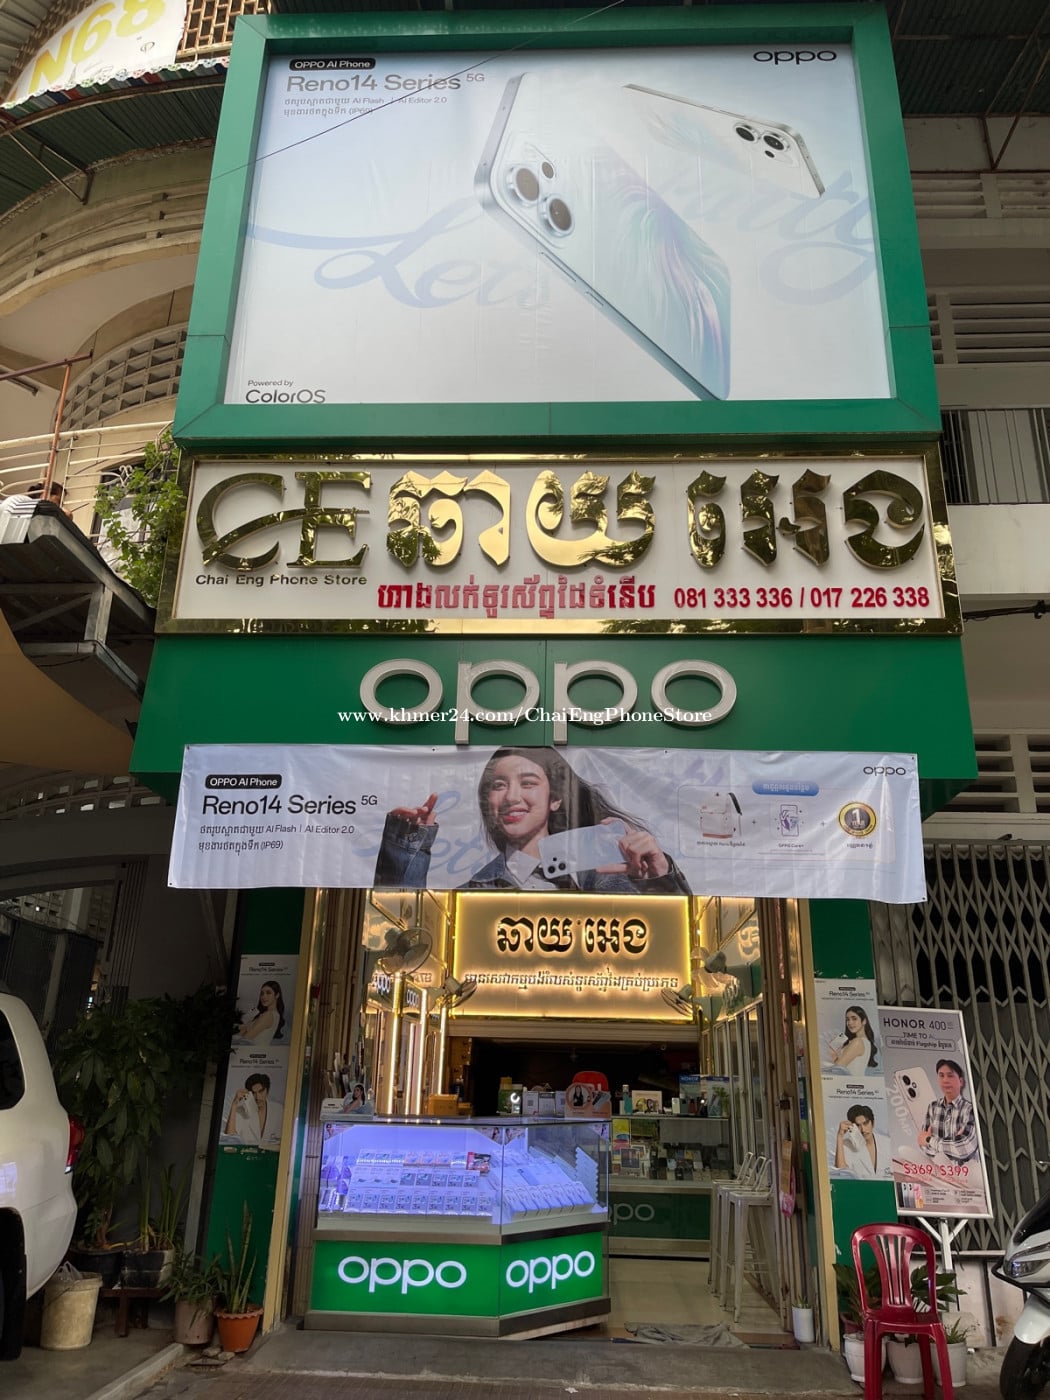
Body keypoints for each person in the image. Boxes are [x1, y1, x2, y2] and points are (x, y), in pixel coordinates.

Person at [372, 746, 690, 894]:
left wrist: (659, 877)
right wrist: (405, 846)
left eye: (528, 783)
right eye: (498, 785)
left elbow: (681, 945)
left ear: (556, 798)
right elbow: (401, 934)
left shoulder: (619, 873)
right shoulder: (474, 892)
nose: (511, 797)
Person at [918, 1058, 979, 1164]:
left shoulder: (969, 1109)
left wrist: (929, 1140)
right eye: (941, 1076)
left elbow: (965, 1148)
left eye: (950, 1075)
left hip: (968, 1172)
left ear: (961, 1081)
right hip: (940, 1171)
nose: (945, 1080)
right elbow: (922, 1144)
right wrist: (954, 1144)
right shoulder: (933, 1107)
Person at [225, 1072, 283, 1148]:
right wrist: (234, 1104)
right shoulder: (241, 1111)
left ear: (267, 1090)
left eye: (261, 1091)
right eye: (253, 1093)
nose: (257, 1097)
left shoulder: (279, 1110)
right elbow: (229, 1138)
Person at [834, 1103, 891, 1179]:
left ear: (873, 1123)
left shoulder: (887, 1143)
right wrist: (840, 1136)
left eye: (865, 1123)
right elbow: (841, 1173)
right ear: (852, 1127)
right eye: (858, 1125)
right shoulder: (846, 1145)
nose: (863, 1130)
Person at [826, 1005, 879, 1072]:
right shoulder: (853, 1040)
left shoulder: (858, 1042)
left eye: (854, 1019)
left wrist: (834, 1053)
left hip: (848, 1077)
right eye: (847, 1019)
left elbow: (838, 1068)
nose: (850, 1023)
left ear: (864, 1021)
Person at [236, 980, 285, 1044]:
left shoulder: (268, 1015)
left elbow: (245, 1040)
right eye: (262, 993)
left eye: (268, 993)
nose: (264, 996)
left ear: (277, 995)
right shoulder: (270, 1014)